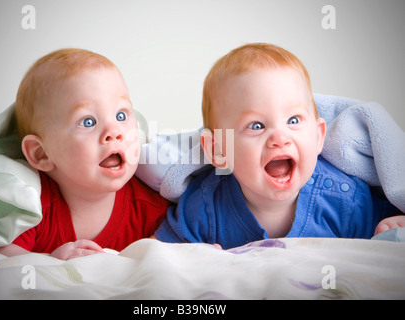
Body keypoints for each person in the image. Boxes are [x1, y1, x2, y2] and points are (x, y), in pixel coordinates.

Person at [154, 43, 404, 249]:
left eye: (293, 120)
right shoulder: (204, 207)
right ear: (219, 151)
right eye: (256, 125)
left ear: (318, 136)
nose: (279, 138)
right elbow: (157, 255)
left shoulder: (345, 201)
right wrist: (193, 257)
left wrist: (389, 229)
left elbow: (384, 245)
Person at [0, 49, 169, 259]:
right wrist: (51, 261)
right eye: (88, 122)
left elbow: (183, 256)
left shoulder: (151, 209)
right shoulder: (30, 207)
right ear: (41, 154)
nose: (114, 132)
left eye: (121, 115)